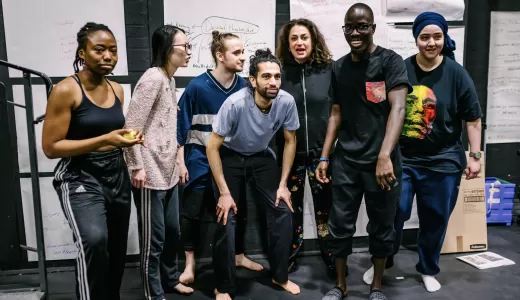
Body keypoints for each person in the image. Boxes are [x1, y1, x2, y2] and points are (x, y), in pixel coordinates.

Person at [363, 12, 482, 293]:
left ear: (444, 38)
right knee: (394, 213)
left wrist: (475, 157)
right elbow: (382, 106)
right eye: (425, 37)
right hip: (403, 159)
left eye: (437, 37)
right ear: (416, 39)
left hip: (443, 160)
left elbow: (473, 119)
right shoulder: (401, 69)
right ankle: (383, 260)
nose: (431, 43)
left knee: (435, 218)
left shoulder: (457, 74)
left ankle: (428, 268)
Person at [316, 3, 412, 300]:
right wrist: (324, 155)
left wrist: (384, 156)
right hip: (346, 161)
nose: (355, 33)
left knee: (382, 227)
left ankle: (377, 287)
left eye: (361, 26)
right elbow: (336, 112)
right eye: (350, 27)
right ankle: (341, 285)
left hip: (381, 163)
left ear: (372, 28)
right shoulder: (340, 67)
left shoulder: (390, 62)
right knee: (339, 226)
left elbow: (398, 108)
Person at [42, 22, 144, 300]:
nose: (108, 56)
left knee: (116, 247)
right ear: (82, 53)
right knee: (95, 241)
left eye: (113, 50)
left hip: (116, 172)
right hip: (80, 175)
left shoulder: (117, 89)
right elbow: (51, 148)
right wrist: (105, 140)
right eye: (99, 50)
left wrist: (127, 137)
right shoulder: (66, 90)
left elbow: (110, 132)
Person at [207, 48, 301, 300]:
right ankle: (223, 286)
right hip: (230, 156)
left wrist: (283, 185)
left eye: (277, 77)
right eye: (266, 76)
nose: (273, 82)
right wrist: (224, 193)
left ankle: (280, 276)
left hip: (261, 157)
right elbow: (212, 147)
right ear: (253, 80)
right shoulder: (235, 103)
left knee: (282, 211)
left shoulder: (286, 102)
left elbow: (290, 140)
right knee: (226, 217)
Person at [177, 31, 263, 285]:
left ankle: (238, 255)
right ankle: (190, 265)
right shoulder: (196, 87)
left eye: (242, 52)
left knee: (239, 210)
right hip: (200, 159)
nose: (243, 57)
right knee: (192, 212)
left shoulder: (246, 86)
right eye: (236, 52)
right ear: (219, 55)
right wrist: (181, 162)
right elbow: (180, 128)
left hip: (234, 161)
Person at [123, 25, 194, 299]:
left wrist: (179, 161)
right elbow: (131, 128)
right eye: (183, 46)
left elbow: (170, 127)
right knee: (154, 240)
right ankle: (153, 293)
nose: (188, 51)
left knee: (173, 233)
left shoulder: (169, 79)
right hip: (150, 172)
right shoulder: (152, 79)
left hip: (169, 171)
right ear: (167, 49)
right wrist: (136, 165)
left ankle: (169, 280)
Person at [275, 18, 336, 273]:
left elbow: (337, 111)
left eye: (304, 37)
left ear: (313, 40)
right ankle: (290, 256)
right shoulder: (279, 73)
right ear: (287, 44)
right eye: (294, 38)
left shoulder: (329, 70)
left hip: (323, 156)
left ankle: (332, 257)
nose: (299, 43)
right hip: (291, 155)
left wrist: (327, 153)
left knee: (326, 211)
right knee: (291, 210)